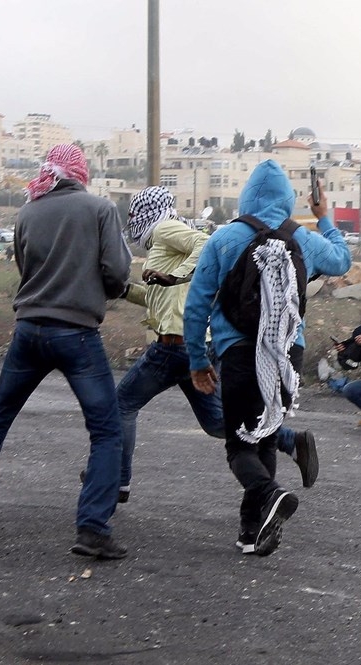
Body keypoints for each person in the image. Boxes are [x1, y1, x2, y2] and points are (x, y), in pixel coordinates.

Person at [0, 143, 132, 559]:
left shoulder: (27, 212)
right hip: (77, 334)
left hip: (28, 330)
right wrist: (109, 290)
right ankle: (92, 529)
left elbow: (24, 267)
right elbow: (117, 271)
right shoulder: (101, 210)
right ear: (80, 173)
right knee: (106, 430)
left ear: (50, 171)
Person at [184, 160, 352, 556]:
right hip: (286, 353)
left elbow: (196, 305)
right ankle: (252, 532)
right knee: (264, 436)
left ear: (246, 196)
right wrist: (323, 218)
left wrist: (196, 359)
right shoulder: (302, 239)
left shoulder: (224, 239)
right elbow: (342, 261)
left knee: (239, 446)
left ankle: (269, 492)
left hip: (239, 353)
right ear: (286, 200)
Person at [114, 186, 318, 506]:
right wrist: (125, 290)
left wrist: (176, 274)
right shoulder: (161, 242)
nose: (131, 218)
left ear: (148, 209)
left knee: (121, 405)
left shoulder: (165, 228)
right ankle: (290, 441)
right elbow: (159, 297)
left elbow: (203, 243)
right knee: (217, 424)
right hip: (185, 346)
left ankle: (117, 482)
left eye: (134, 211)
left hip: (172, 346)